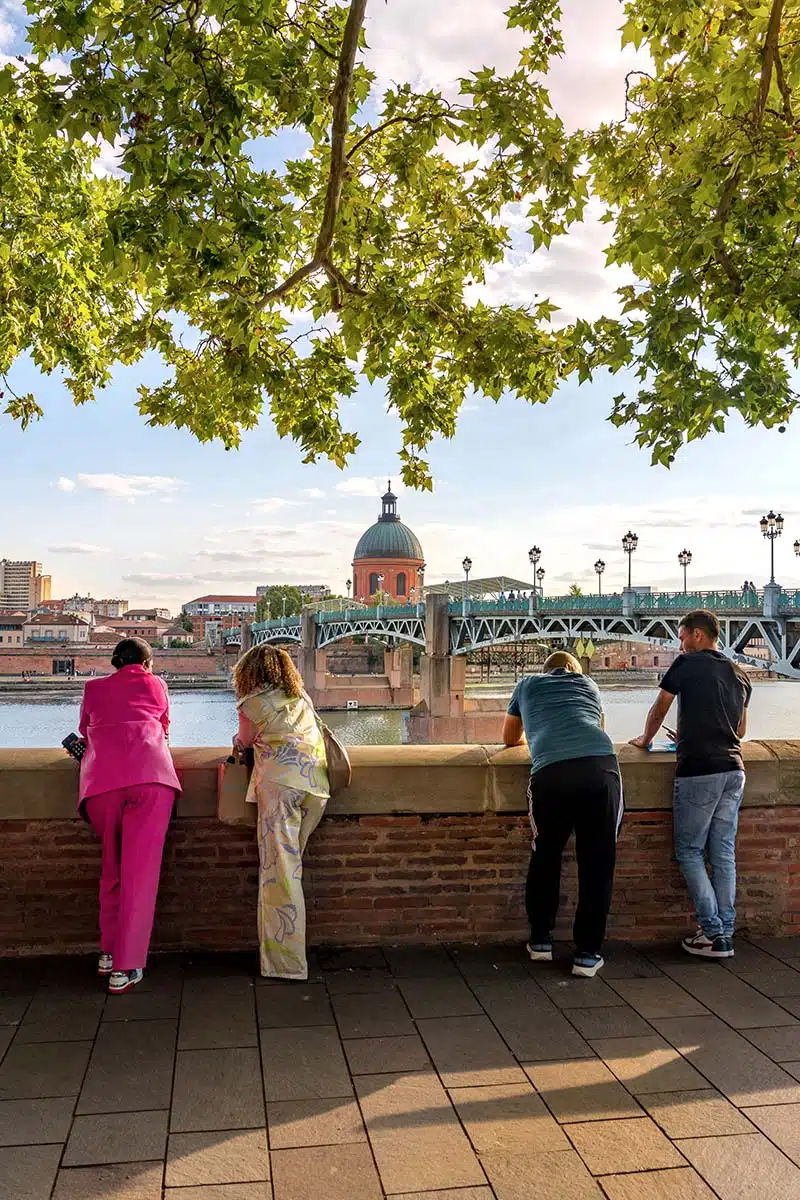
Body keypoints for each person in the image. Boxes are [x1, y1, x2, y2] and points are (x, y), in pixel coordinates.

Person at [630, 610, 751, 959]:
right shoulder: (740, 673)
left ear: (698, 635)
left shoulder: (685, 665)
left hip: (699, 770)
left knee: (689, 852)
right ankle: (725, 931)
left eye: (682, 636)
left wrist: (645, 739)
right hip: (734, 770)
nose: (680, 643)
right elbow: (739, 731)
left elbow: (660, 707)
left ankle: (712, 934)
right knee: (723, 854)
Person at [503, 651, 623, 978]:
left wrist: (543, 734)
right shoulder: (589, 685)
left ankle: (541, 941)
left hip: (551, 773)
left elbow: (510, 738)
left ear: (545, 670)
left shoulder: (526, 685)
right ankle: (587, 954)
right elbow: (599, 726)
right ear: (575, 671)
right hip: (599, 767)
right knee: (598, 863)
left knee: (546, 855)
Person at [78, 637, 180, 994]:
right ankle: (127, 965)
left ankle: (107, 952)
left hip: (102, 785)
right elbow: (164, 728)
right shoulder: (157, 685)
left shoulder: (92, 688)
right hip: (151, 780)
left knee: (112, 870)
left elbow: (85, 730)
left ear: (114, 663)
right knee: (141, 875)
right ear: (147, 663)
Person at [232, 644, 329, 980]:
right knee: (292, 870)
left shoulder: (252, 703)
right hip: (315, 787)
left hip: (280, 790)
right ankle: (286, 959)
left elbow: (243, 742)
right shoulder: (300, 698)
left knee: (280, 877)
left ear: (249, 673)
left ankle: (286, 965)